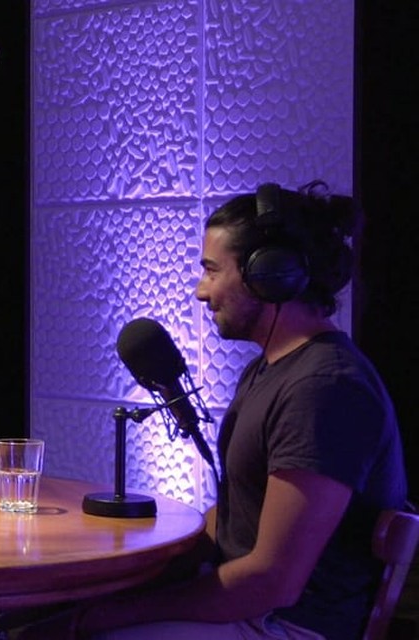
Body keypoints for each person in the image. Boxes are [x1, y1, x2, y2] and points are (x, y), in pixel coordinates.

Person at [22, 181, 408, 640]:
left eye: (211, 270)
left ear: (269, 276)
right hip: (250, 611)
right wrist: (118, 580)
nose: (202, 292)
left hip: (285, 626)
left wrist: (103, 616)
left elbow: (271, 581)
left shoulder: (324, 390)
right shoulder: (270, 372)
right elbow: (235, 515)